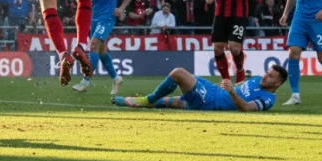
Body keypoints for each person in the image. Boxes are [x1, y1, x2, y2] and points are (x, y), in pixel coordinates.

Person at [72, 0, 132, 94]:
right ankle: (116, 79)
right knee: (101, 51)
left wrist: (122, 8)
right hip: (94, 16)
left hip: (107, 18)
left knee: (93, 45)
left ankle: (85, 81)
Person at [112, 65, 287, 112]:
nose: (265, 76)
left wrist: (232, 91)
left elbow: (247, 108)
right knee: (165, 102)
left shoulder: (267, 99)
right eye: (267, 72)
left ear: (277, 84)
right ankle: (129, 102)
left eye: (270, 76)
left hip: (210, 101)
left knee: (178, 73)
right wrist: (233, 86)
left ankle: (147, 99)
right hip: (213, 91)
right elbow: (241, 87)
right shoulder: (257, 79)